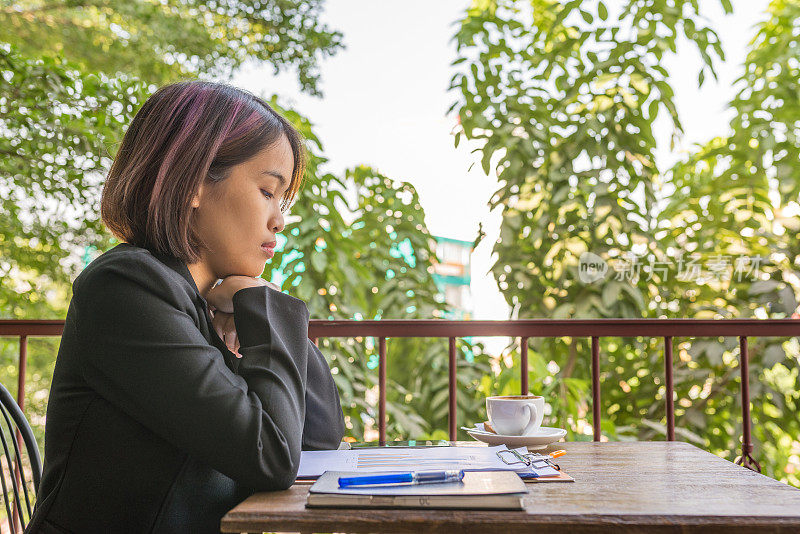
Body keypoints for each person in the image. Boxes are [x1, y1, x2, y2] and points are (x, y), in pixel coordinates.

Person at [26, 81, 346, 533]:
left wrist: (253, 301)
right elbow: (271, 456)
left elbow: (317, 434)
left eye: (283, 200)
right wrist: (261, 302)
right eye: (267, 192)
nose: (280, 219)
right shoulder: (125, 289)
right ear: (195, 184)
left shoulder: (193, 301)